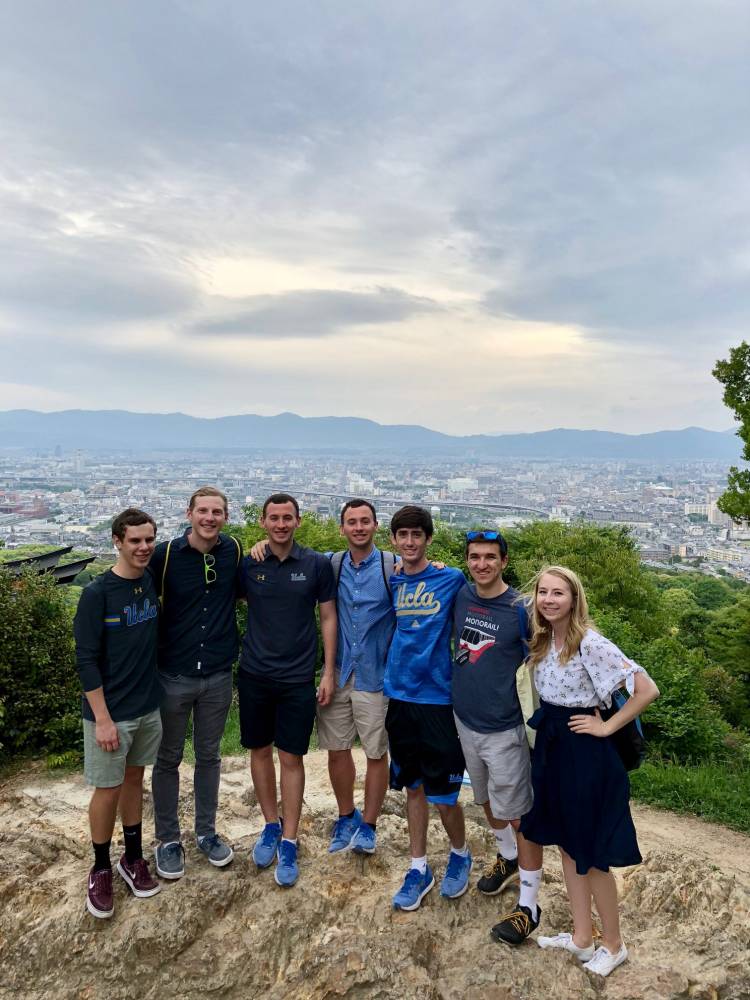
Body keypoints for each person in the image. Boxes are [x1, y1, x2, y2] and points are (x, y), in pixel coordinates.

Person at [516, 566, 659, 977]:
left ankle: (613, 945)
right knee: (567, 843)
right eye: (542, 592)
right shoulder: (545, 641)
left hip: (586, 754)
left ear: (574, 600)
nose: (548, 600)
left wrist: (607, 726)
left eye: (558, 593)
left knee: (592, 853)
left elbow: (646, 688)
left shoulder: (589, 643)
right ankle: (582, 938)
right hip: (556, 748)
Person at [254, 499, 395, 855]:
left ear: (376, 526)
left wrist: (438, 565)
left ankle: (370, 823)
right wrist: (260, 546)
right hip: (339, 671)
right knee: (337, 749)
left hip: (376, 674)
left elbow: (423, 575)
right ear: (342, 528)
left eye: (365, 521)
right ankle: (346, 814)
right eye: (352, 522)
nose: (359, 527)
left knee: (376, 752)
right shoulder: (329, 564)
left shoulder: (391, 567)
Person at [239, 493, 337, 887]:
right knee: (259, 751)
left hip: (298, 676)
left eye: (287, 518)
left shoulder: (316, 564)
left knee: (291, 756)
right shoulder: (250, 563)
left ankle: (291, 838)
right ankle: (269, 825)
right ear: (263, 522)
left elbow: (328, 617)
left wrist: (327, 671)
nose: (280, 524)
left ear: (298, 521)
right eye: (274, 518)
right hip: (254, 672)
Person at [452, 530, 544, 941]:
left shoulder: (521, 609)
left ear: (504, 562)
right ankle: (506, 857)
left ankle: (529, 905)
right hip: (464, 719)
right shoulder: (460, 593)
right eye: (475, 557)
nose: (482, 564)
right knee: (486, 799)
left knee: (519, 815)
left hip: (505, 728)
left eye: (491, 557)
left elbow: (540, 662)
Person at [149, 487, 243, 879]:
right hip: (173, 673)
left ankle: (206, 832)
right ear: (189, 514)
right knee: (167, 758)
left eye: (216, 511)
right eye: (202, 511)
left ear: (225, 516)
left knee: (209, 756)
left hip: (218, 674)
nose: (209, 517)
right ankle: (168, 839)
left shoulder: (234, 550)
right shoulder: (165, 555)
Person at [74, 507, 162, 919]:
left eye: (149, 540)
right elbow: (86, 660)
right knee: (106, 788)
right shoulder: (97, 593)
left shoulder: (148, 581)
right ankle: (100, 867)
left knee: (133, 780)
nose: (143, 548)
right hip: (110, 714)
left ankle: (133, 856)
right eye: (135, 541)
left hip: (146, 705)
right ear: (117, 541)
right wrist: (102, 719)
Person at [383, 505, 469, 911]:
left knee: (445, 793)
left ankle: (460, 853)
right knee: (412, 786)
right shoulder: (392, 578)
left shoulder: (450, 578)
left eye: (418, 535)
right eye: (404, 535)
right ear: (394, 540)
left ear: (428, 539)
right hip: (399, 695)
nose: (411, 542)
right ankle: (418, 867)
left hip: (437, 698)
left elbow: (481, 608)